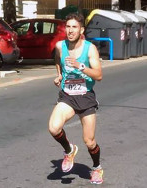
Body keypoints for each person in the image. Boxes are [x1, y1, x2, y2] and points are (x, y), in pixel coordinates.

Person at [48, 13, 103, 185]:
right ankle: (69, 150)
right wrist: (59, 75)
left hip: (85, 97)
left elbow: (99, 75)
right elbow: (57, 59)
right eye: (68, 27)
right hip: (67, 96)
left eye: (74, 27)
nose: (70, 31)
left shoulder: (89, 48)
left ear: (81, 30)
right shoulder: (60, 46)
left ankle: (96, 167)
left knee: (89, 141)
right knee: (53, 128)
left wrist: (80, 66)